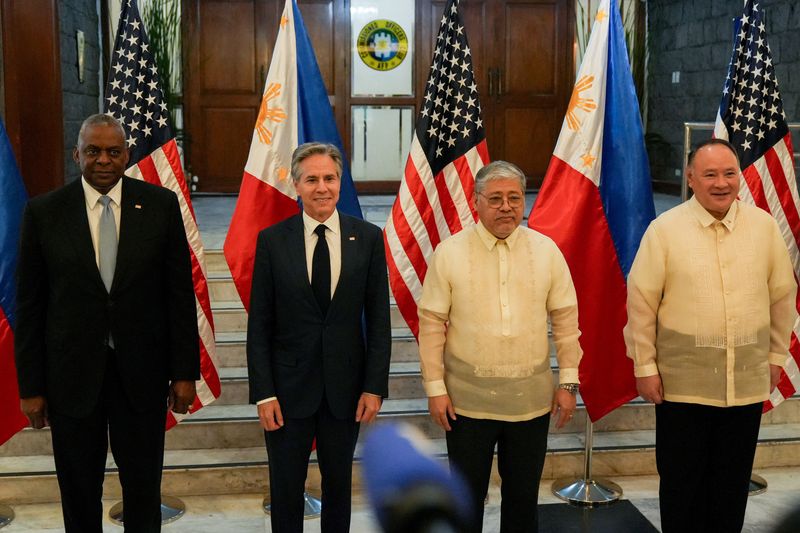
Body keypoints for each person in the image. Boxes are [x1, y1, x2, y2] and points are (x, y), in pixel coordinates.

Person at [14, 113, 199, 532]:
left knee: (143, 488)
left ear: (127, 156)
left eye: (113, 152)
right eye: (93, 151)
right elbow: (30, 308)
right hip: (71, 380)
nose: (103, 160)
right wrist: (32, 387)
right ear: (76, 154)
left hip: (142, 376)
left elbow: (178, 297)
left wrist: (184, 373)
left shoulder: (159, 206)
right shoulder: (44, 213)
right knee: (78, 491)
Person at [624, 138, 797, 533]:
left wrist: (775, 358)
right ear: (690, 179)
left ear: (740, 176)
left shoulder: (764, 228)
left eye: (729, 173)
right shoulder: (664, 230)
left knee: (731, 487)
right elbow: (640, 304)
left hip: (746, 384)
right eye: (710, 174)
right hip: (681, 387)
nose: (721, 183)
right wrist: (645, 365)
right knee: (683, 485)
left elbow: (782, 297)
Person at [417, 160, 582, 533]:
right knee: (465, 499)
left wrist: (568, 383)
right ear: (476, 202)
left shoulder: (547, 251)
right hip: (466, 405)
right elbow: (431, 326)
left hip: (531, 403)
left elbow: (567, 322)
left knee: (522, 501)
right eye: (495, 199)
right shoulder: (450, 252)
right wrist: (435, 388)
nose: (506, 206)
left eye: (514, 198)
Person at [247, 142, 391, 532]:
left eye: (329, 178)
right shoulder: (273, 241)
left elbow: (378, 321)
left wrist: (374, 386)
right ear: (296, 185)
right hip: (286, 391)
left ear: (340, 183)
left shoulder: (369, 237)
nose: (322, 187)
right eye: (312, 179)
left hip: (345, 391)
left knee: (339, 485)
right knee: (286, 488)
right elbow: (259, 324)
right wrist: (264, 393)